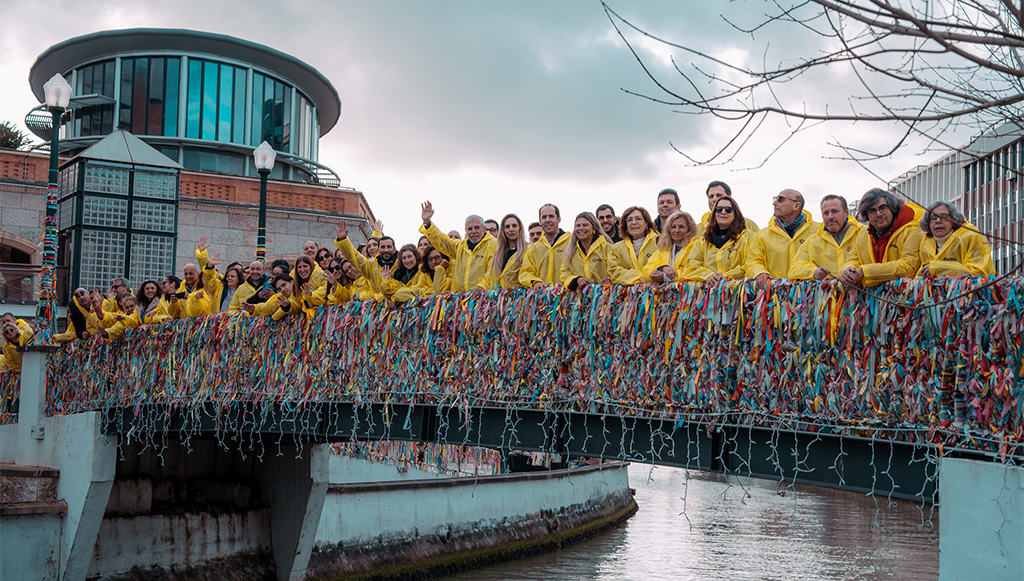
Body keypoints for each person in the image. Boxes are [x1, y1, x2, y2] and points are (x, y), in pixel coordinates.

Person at [840, 188, 925, 287]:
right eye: (872, 211)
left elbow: (908, 266)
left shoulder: (913, 230)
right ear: (866, 216)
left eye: (883, 208)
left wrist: (864, 272)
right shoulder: (864, 233)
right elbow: (853, 259)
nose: (879, 214)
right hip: (875, 299)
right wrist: (847, 270)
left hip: (904, 297)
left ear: (892, 208)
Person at [420, 201, 497, 292]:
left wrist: (482, 287)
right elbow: (442, 241)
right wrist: (427, 223)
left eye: (476, 228)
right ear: (465, 230)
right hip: (460, 300)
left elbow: (492, 270)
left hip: (482, 298)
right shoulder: (460, 246)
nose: (473, 231)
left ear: (484, 229)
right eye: (470, 229)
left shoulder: (493, 244)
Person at [746, 189, 816, 283]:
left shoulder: (818, 232)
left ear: (796, 206)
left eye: (780, 199)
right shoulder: (762, 235)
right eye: (775, 199)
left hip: (811, 294)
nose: (774, 203)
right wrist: (760, 272)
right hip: (775, 294)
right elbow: (752, 261)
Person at [682, 195, 756, 283]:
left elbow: (751, 264)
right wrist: (708, 275)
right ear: (714, 213)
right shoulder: (703, 241)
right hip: (709, 293)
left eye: (728, 210)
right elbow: (691, 267)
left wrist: (726, 277)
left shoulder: (749, 237)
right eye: (719, 209)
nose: (723, 212)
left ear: (735, 214)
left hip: (738, 292)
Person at [789, 195, 863, 280]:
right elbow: (793, 270)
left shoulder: (862, 234)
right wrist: (813, 272)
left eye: (835, 211)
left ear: (846, 212)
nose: (830, 217)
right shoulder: (812, 241)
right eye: (826, 213)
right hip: (827, 293)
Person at [917, 201, 995, 277]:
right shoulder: (925, 243)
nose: (938, 221)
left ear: (953, 219)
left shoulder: (972, 237)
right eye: (933, 217)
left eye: (944, 217)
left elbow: (979, 273)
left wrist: (938, 268)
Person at [334, 222, 396, 301]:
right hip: (378, 309)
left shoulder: (401, 263)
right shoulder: (371, 265)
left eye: (389, 247)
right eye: (382, 247)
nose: (386, 250)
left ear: (394, 249)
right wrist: (343, 240)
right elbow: (354, 257)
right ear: (379, 249)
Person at [520, 203, 571, 289]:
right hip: (543, 299)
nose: (547, 220)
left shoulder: (571, 243)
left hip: (568, 299)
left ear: (559, 219)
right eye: (544, 217)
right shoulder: (534, 248)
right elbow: (525, 272)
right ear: (540, 221)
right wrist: (536, 281)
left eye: (551, 216)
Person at [560, 212, 614, 290]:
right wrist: (577, 279)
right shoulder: (571, 251)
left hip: (604, 296)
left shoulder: (607, 248)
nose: (581, 228)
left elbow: (616, 270)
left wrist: (610, 279)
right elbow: (564, 274)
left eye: (585, 225)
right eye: (578, 225)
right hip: (581, 298)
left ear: (594, 229)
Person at [644, 210, 699, 283]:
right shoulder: (664, 249)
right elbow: (645, 273)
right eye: (673, 227)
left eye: (681, 227)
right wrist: (662, 267)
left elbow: (694, 272)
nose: (677, 230)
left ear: (689, 229)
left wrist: (666, 277)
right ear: (668, 229)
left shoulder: (696, 247)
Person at [609, 206, 659, 284]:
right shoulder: (616, 248)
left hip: (656, 292)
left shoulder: (660, 241)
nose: (634, 222)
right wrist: (639, 278)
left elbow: (664, 263)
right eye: (629, 220)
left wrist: (648, 277)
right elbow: (614, 271)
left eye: (638, 219)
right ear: (626, 225)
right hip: (628, 294)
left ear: (646, 223)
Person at [479, 213, 528, 289]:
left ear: (520, 228)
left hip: (520, 299)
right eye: (507, 227)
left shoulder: (528, 250)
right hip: (498, 299)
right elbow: (490, 276)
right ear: (503, 230)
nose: (511, 229)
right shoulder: (497, 253)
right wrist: (482, 286)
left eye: (514, 226)